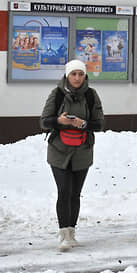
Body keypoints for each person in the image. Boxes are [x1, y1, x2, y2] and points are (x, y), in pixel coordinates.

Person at [40, 59, 105, 251]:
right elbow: (44, 121)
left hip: (82, 151)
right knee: (64, 191)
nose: (77, 78)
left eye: (80, 74)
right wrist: (60, 121)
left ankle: (72, 231)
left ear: (85, 76)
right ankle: (64, 234)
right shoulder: (57, 94)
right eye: (73, 74)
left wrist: (82, 124)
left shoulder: (91, 96)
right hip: (59, 151)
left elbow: (100, 123)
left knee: (75, 193)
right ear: (67, 76)